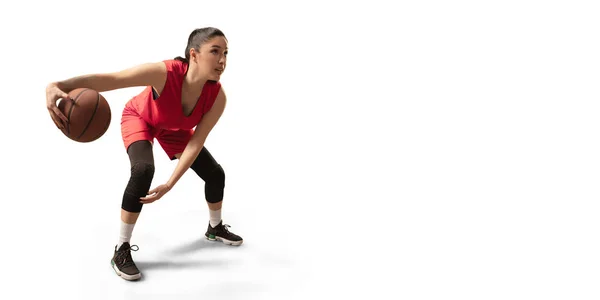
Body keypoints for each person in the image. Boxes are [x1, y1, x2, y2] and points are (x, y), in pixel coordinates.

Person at [45, 27, 243, 281]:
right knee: (143, 170)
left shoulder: (217, 97)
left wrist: (170, 184)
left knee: (215, 174)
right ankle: (121, 248)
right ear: (194, 55)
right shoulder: (164, 73)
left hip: (172, 127)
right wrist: (57, 85)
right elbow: (112, 79)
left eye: (226, 52)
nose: (222, 60)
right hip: (140, 118)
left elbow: (196, 142)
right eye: (215, 51)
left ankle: (214, 228)